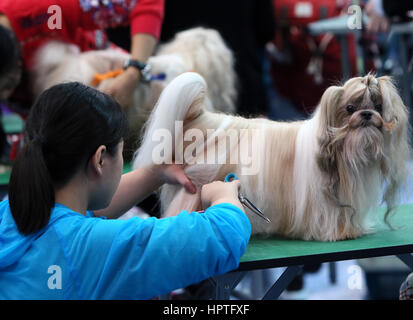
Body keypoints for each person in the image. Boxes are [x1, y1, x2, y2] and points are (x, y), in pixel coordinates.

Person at [0, 82, 251, 299]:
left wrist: (154, 174)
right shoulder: (91, 249)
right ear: (100, 159)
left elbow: (73, 223)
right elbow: (222, 237)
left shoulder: (11, 212)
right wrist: (224, 197)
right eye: (121, 152)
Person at [0, 0, 164, 108]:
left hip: (110, 79)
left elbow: (143, 2)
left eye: (5, 86)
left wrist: (133, 72)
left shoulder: (45, 9)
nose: (5, 95)